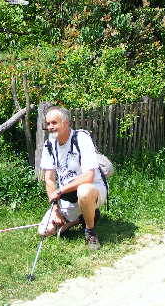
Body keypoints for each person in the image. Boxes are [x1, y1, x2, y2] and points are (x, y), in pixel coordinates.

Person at [37, 105, 107, 250]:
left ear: (66, 123)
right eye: (48, 123)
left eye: (54, 123)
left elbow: (89, 176)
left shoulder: (81, 138)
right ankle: (83, 217)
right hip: (67, 195)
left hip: (92, 189)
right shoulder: (49, 145)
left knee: (84, 191)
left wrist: (60, 190)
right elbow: (49, 179)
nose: (50, 127)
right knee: (44, 231)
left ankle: (90, 233)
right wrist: (56, 209)